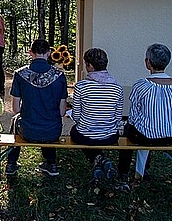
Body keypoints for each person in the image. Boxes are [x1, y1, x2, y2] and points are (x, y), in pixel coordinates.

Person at [5, 39, 68, 177]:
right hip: (52, 131)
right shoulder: (60, 76)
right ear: (49, 53)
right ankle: (51, 163)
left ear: (30, 52)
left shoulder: (20, 74)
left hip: (28, 130)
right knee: (50, 121)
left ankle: (11, 163)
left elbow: (15, 109)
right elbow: (62, 111)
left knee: (16, 120)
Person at [118, 44, 172, 182]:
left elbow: (133, 116)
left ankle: (123, 172)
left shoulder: (141, 85)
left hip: (146, 137)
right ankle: (142, 169)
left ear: (148, 62)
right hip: (170, 136)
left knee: (128, 129)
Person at [69, 48, 123, 180]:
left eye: (86, 64)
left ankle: (98, 159)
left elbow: (76, 116)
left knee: (75, 132)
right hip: (110, 136)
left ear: (91, 66)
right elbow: (118, 117)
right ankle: (100, 160)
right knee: (89, 135)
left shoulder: (81, 86)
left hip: (85, 135)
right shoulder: (117, 87)